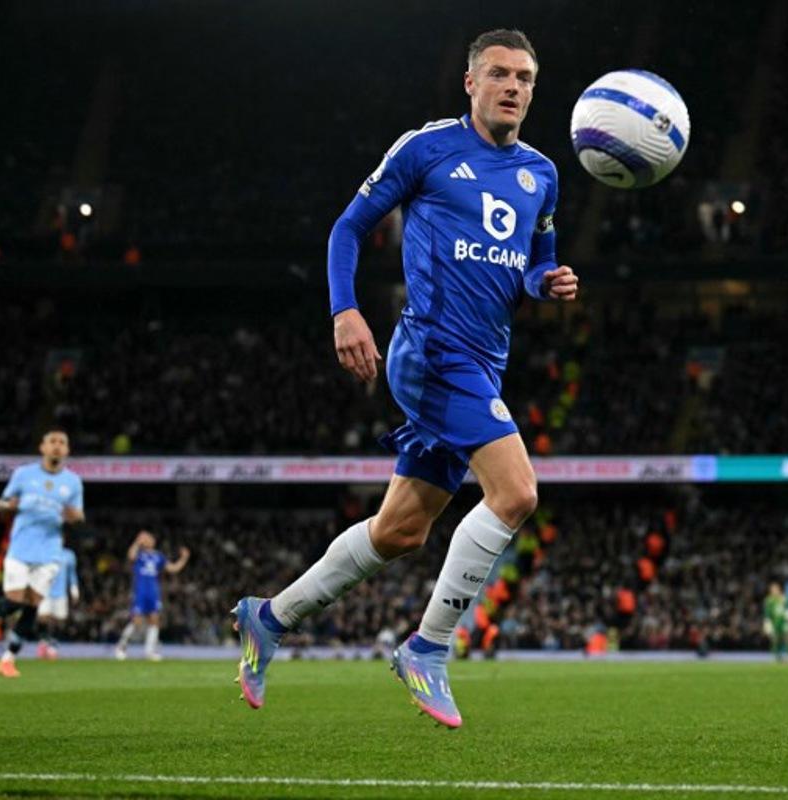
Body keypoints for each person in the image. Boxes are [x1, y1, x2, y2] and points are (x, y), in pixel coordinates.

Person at [232, 28, 577, 728]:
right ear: (471, 83)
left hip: (484, 359)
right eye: (501, 74)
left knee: (400, 533)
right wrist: (345, 310)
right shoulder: (426, 148)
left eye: (526, 78)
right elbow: (347, 228)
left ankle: (268, 618)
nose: (514, 87)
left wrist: (551, 282)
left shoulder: (542, 173)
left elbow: (535, 263)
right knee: (516, 493)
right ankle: (429, 647)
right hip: (430, 351)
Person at [0, 428, 84, 678]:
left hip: (50, 552)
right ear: (43, 448)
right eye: (53, 442)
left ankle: (8, 659)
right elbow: (1, 503)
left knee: (33, 606)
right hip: (20, 547)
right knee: (16, 600)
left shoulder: (73, 482)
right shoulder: (23, 474)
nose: (57, 446)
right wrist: (9, 505)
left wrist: (74, 517)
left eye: (62, 442)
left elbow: (79, 516)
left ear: (67, 450)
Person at [115, 531, 190, 661]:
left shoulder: (159, 556)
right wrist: (137, 542)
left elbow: (173, 569)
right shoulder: (139, 554)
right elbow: (130, 556)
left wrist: (184, 558)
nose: (150, 539)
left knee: (154, 620)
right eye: (147, 538)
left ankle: (149, 651)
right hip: (140, 591)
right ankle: (121, 647)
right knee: (137, 621)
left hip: (153, 592)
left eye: (150, 537)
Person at [36, 547, 79, 660]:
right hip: (45, 591)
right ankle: (43, 642)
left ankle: (53, 647)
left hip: (61, 594)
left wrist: (74, 589)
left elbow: (71, 573)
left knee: (59, 620)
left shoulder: (69, 555)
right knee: (43, 617)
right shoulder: (43, 552)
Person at [763, 581, 788, 661]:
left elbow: (787, 609)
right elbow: (767, 612)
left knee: (785, 638)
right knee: (775, 639)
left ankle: (785, 654)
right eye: (772, 589)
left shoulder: (784, 598)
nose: (774, 591)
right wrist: (767, 622)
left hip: (783, 622)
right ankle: (776, 655)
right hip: (773, 622)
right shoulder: (768, 600)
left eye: (775, 589)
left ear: (779, 589)